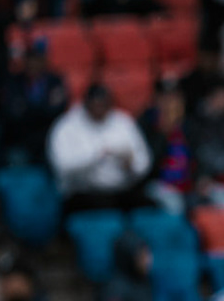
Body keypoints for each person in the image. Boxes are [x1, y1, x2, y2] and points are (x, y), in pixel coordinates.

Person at [48, 82, 151, 214]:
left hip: (122, 192)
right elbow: (62, 166)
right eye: (95, 104)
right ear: (86, 103)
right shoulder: (67, 126)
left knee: (150, 207)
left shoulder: (124, 123)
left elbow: (144, 163)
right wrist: (97, 156)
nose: (99, 108)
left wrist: (130, 164)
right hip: (83, 193)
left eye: (103, 104)